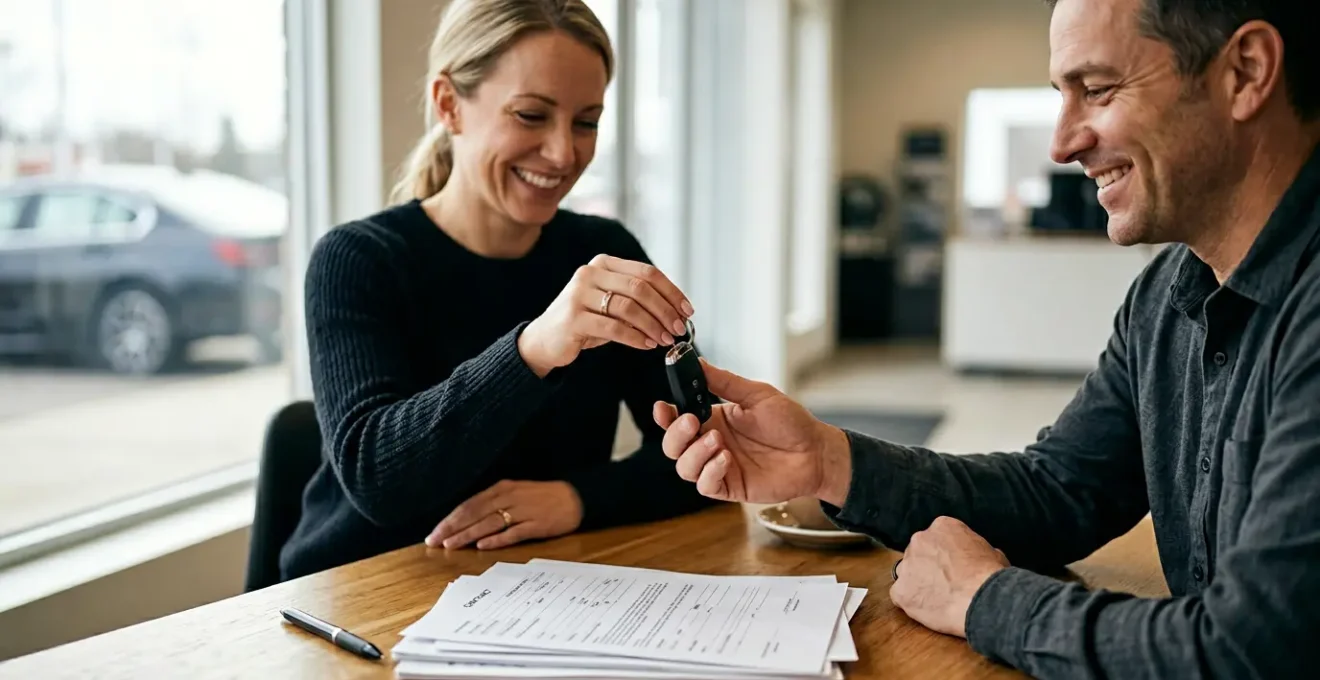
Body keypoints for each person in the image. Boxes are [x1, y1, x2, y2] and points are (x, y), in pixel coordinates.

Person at [655, 0, 1320, 677]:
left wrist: (984, 598)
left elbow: (1251, 649)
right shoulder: (1165, 299)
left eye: (1095, 89)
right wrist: (827, 460)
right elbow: (1057, 491)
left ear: (1246, 72)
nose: (1062, 145)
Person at [280, 0, 715, 581]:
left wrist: (577, 498)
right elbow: (377, 480)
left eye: (586, 121)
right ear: (449, 105)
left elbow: (704, 457)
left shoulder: (603, 252)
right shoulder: (359, 260)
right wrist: (535, 348)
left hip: (537, 596)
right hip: (364, 593)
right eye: (531, 115)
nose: (564, 154)